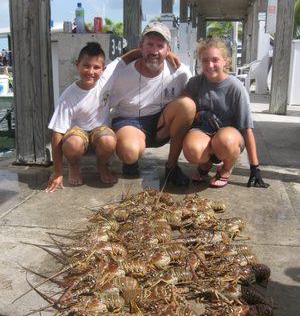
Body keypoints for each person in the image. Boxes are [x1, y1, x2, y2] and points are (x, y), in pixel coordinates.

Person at [46, 41, 181, 193]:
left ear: (103, 69)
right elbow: (57, 134)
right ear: (77, 65)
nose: (91, 71)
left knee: (109, 140)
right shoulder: (68, 96)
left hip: (99, 130)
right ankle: (74, 166)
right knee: (73, 144)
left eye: (96, 67)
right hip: (77, 133)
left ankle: (102, 165)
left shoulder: (107, 77)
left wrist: (166, 54)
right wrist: (57, 172)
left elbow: (129, 56)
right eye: (86, 65)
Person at [108, 22, 195, 186]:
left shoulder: (180, 71)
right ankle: (130, 160)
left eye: (160, 46)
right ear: (141, 46)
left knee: (188, 105)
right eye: (149, 44)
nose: (154, 51)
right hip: (130, 121)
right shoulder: (121, 73)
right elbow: (102, 102)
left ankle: (172, 166)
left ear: (168, 50)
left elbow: (194, 98)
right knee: (130, 151)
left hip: (161, 124)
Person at [182, 37, 269, 188]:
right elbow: (183, 110)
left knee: (225, 141)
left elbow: (247, 129)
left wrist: (255, 167)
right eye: (205, 60)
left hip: (229, 137)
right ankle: (205, 164)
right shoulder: (194, 83)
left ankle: (226, 169)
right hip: (203, 131)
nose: (210, 65)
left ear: (226, 62)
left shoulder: (236, 87)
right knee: (192, 149)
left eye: (215, 60)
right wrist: (198, 114)